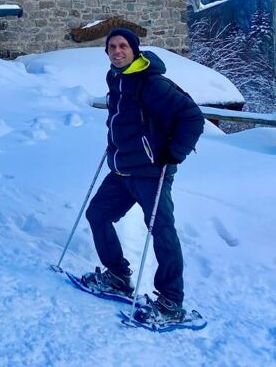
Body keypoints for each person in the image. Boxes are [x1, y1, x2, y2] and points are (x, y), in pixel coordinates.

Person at [80, 27, 204, 323]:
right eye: (112, 47)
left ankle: (171, 302)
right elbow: (124, 118)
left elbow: (192, 116)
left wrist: (174, 153)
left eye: (123, 46)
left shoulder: (152, 83)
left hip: (151, 173)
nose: (117, 51)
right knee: (97, 215)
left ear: (134, 50)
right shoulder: (116, 78)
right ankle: (118, 276)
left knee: (161, 232)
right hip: (122, 170)